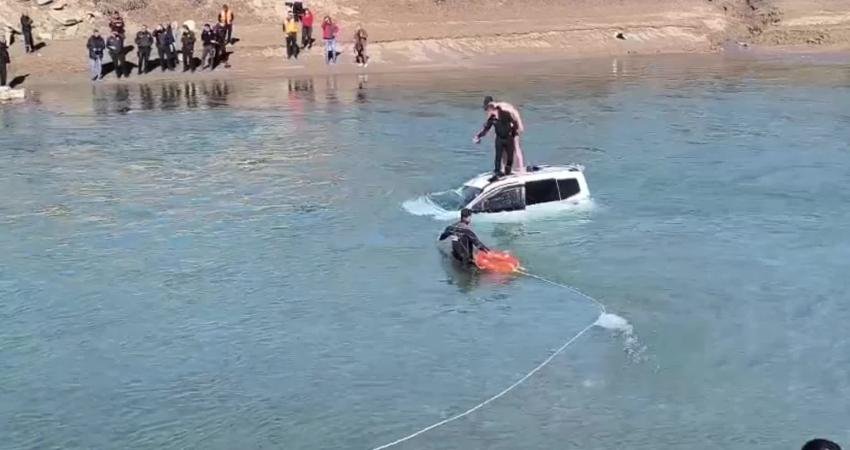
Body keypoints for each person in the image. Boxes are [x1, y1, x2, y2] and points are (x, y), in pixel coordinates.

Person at [474, 102, 519, 181]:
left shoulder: (505, 114)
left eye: (488, 111)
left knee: (510, 157)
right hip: (499, 139)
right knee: (498, 157)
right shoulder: (492, 119)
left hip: (509, 138)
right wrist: (478, 136)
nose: (487, 113)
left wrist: (514, 131)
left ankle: (507, 172)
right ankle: (497, 173)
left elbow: (514, 123)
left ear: (491, 109)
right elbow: (486, 130)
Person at [482, 95, 526, 173]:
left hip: (513, 127)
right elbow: (490, 121)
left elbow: (515, 112)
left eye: (487, 108)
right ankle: (504, 169)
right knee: (502, 151)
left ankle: (521, 167)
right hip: (504, 130)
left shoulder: (503, 106)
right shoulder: (493, 110)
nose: (487, 110)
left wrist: (520, 124)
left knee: (516, 147)